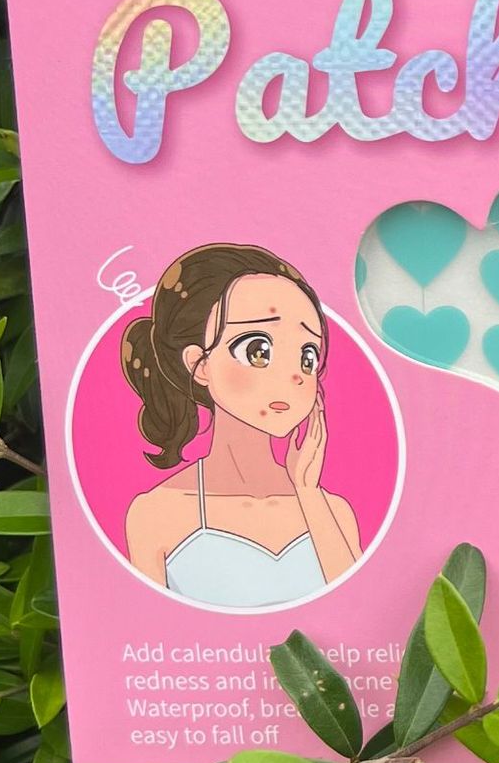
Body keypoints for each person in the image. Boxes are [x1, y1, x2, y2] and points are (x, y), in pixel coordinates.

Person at [121, 244, 361, 607]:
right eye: (258, 351)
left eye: (307, 356)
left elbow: (359, 612)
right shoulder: (155, 513)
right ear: (200, 365)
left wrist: (308, 493)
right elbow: (148, 630)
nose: (294, 375)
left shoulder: (333, 511)